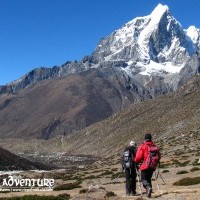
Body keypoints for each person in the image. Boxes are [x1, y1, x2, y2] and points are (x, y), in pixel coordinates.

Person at [134, 133, 161, 198]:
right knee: (148, 179)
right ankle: (149, 194)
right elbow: (159, 156)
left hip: (145, 165)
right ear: (151, 138)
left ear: (145, 139)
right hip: (152, 166)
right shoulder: (154, 146)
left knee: (143, 179)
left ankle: (148, 188)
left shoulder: (143, 146)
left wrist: (135, 161)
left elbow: (138, 157)